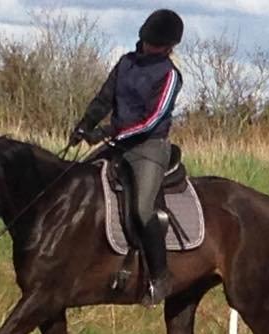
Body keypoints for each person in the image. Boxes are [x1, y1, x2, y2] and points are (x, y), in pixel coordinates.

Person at [69, 9, 184, 306]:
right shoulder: (125, 63)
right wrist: (85, 126)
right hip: (117, 142)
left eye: (157, 45)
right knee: (77, 184)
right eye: (148, 42)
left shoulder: (170, 75)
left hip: (148, 147)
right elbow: (104, 98)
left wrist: (110, 132)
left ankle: (160, 277)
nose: (150, 47)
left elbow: (152, 119)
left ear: (168, 46)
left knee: (143, 209)